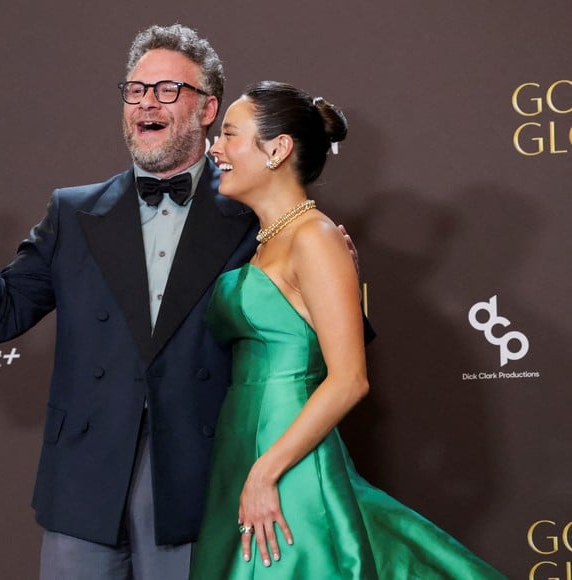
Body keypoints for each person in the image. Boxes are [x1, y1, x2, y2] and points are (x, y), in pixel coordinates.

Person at [0, 25, 366, 580]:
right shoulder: (73, 213)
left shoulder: (259, 215)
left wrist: (339, 269)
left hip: (202, 484)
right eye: (135, 90)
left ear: (208, 110)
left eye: (166, 90)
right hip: (83, 486)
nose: (146, 103)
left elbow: (320, 346)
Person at [188, 81, 503, 579]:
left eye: (229, 134)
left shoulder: (314, 237)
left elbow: (349, 378)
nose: (216, 148)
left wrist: (267, 472)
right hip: (246, 453)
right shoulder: (269, 241)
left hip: (285, 459)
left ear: (278, 149)